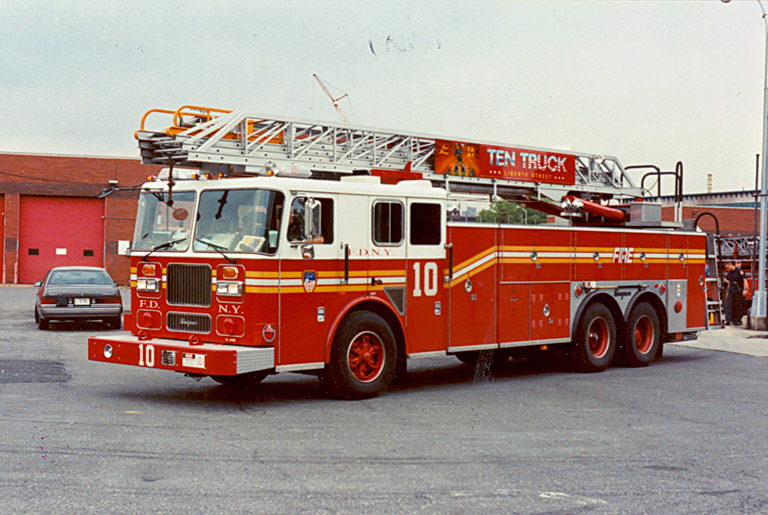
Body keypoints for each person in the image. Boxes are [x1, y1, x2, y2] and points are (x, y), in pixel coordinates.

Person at [725, 261, 747, 326]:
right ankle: (728, 320)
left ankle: (737, 320)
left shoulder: (739, 271)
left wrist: (746, 289)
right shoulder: (729, 273)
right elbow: (728, 283)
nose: (727, 269)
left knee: (738, 305)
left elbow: (744, 280)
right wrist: (727, 292)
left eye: (728, 267)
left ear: (730, 265)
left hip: (738, 290)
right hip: (731, 290)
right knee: (729, 305)